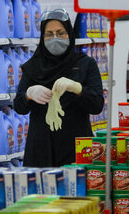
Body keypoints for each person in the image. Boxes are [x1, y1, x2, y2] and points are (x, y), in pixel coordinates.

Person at [13, 9, 104, 167]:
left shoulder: (85, 64)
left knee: (75, 191)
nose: (55, 38)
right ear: (42, 37)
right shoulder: (32, 67)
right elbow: (19, 107)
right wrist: (29, 93)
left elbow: (97, 105)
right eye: (49, 34)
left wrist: (77, 88)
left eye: (60, 33)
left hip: (76, 148)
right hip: (40, 149)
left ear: (69, 33)